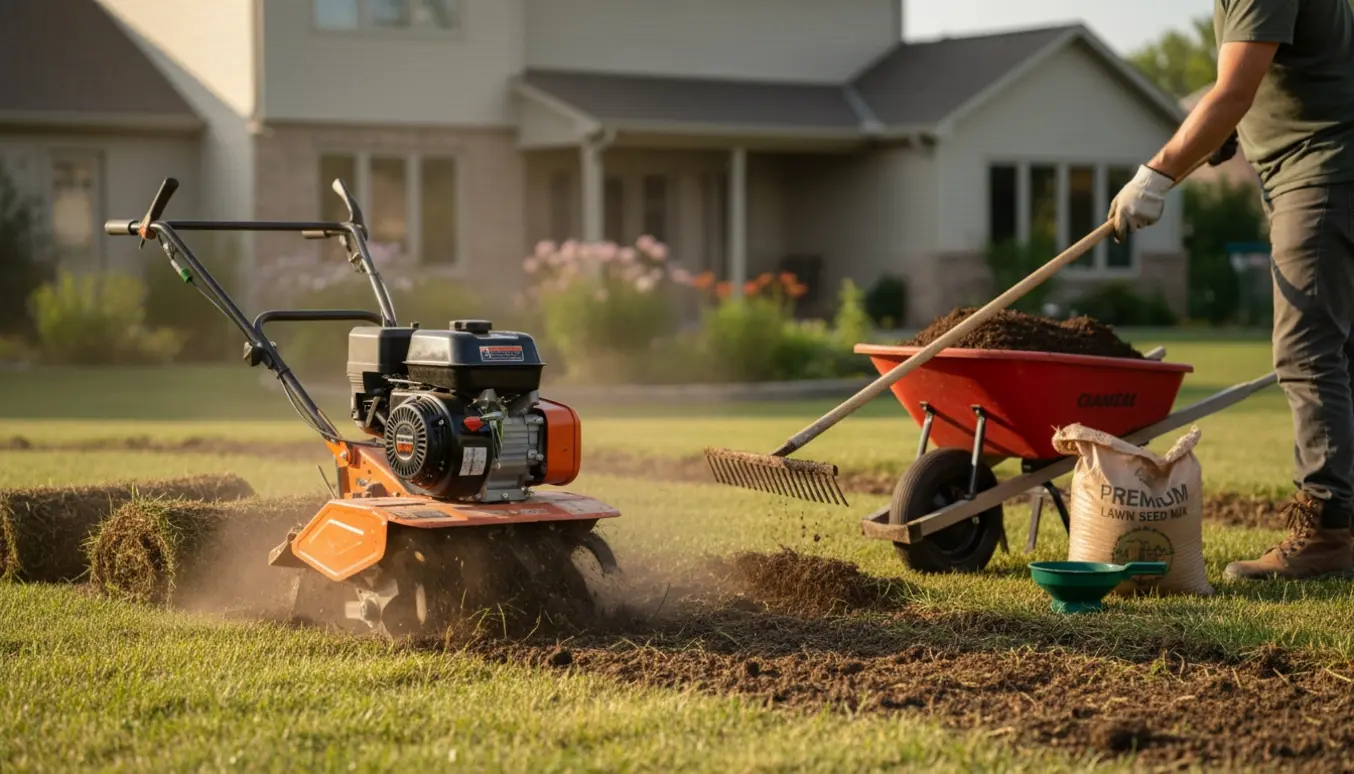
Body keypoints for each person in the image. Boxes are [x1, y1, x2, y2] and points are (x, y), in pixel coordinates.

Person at [1108, 0, 1354, 581]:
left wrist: (1157, 172)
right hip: (1332, 170)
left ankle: (1325, 534)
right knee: (1341, 355)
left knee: (1309, 354)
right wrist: (1229, 132)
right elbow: (1291, 75)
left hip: (1320, 176)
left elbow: (1235, 89)